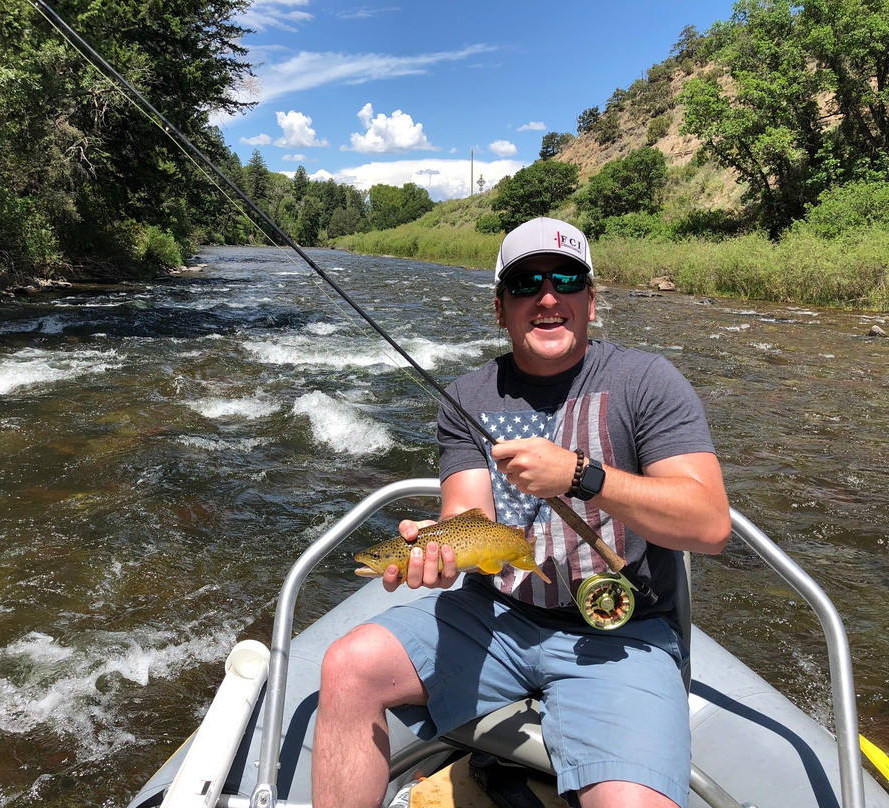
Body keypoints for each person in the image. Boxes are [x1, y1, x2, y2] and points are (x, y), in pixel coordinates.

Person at [312, 216, 732, 808]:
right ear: (500, 308)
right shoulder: (467, 396)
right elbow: (467, 514)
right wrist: (439, 548)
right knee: (348, 665)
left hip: (621, 633)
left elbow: (710, 525)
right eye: (525, 284)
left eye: (565, 279)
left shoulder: (647, 381)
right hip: (494, 616)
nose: (547, 297)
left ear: (591, 299)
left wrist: (582, 476)